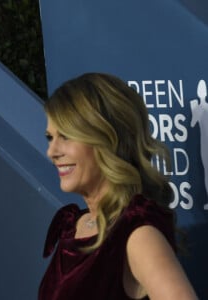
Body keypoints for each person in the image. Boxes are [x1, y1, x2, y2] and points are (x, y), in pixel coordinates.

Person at [38, 73, 198, 300]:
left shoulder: (137, 234)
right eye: (50, 137)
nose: (52, 152)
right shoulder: (76, 226)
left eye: (65, 136)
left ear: (106, 139)